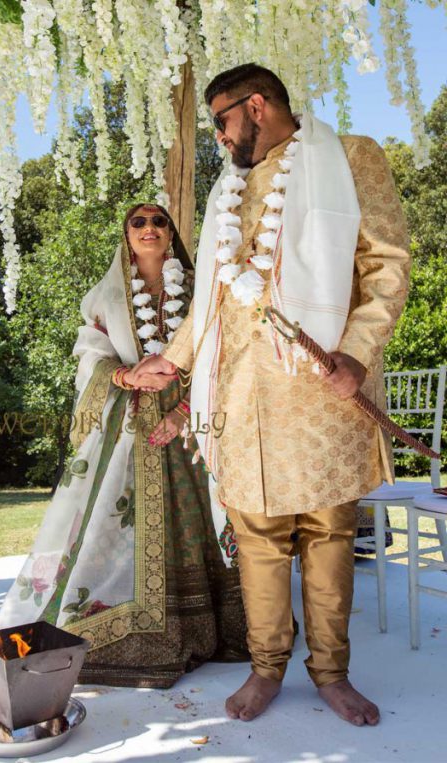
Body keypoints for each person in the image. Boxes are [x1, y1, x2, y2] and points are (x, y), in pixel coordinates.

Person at [133, 63, 410, 726]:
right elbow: (215, 298)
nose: (219, 141)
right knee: (255, 534)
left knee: (327, 531)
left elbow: (387, 265)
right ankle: (267, 668)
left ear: (256, 105)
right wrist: (172, 362)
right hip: (241, 395)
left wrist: (356, 352)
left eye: (222, 123)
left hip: (318, 391)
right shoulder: (230, 190)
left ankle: (333, 673)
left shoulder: (347, 157)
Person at [0, 204, 248, 688]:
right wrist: (126, 375)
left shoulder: (203, 292)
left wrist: (184, 413)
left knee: (209, 520)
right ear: (126, 235)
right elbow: (89, 356)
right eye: (138, 222)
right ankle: (138, 627)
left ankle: (217, 625)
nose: (150, 229)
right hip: (131, 427)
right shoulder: (105, 295)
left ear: (172, 234)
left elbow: (224, 354)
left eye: (159, 222)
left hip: (195, 423)